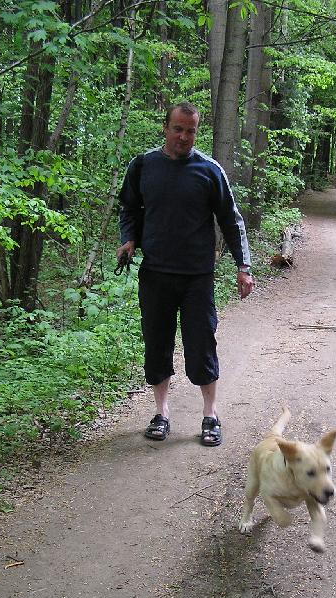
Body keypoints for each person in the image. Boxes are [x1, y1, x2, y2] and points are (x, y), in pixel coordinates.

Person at [117, 101, 254, 447]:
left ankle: (210, 415)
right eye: (178, 129)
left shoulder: (209, 170)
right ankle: (161, 414)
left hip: (197, 276)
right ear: (166, 128)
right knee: (157, 344)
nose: (183, 137)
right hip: (156, 273)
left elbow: (231, 220)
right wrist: (129, 239)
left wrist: (243, 266)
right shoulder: (143, 166)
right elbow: (129, 208)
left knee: (202, 344)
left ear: (197, 132)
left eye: (190, 131)